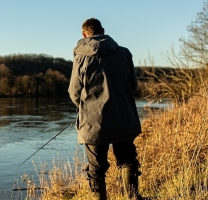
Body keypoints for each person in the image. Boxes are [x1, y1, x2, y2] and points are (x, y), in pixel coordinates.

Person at [68, 18, 142, 200]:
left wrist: (85, 108)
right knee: (127, 161)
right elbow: (132, 85)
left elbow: (74, 91)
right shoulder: (124, 53)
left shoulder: (80, 57)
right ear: (103, 31)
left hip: (93, 122)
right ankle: (133, 198)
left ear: (84, 35)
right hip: (123, 117)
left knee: (96, 169)